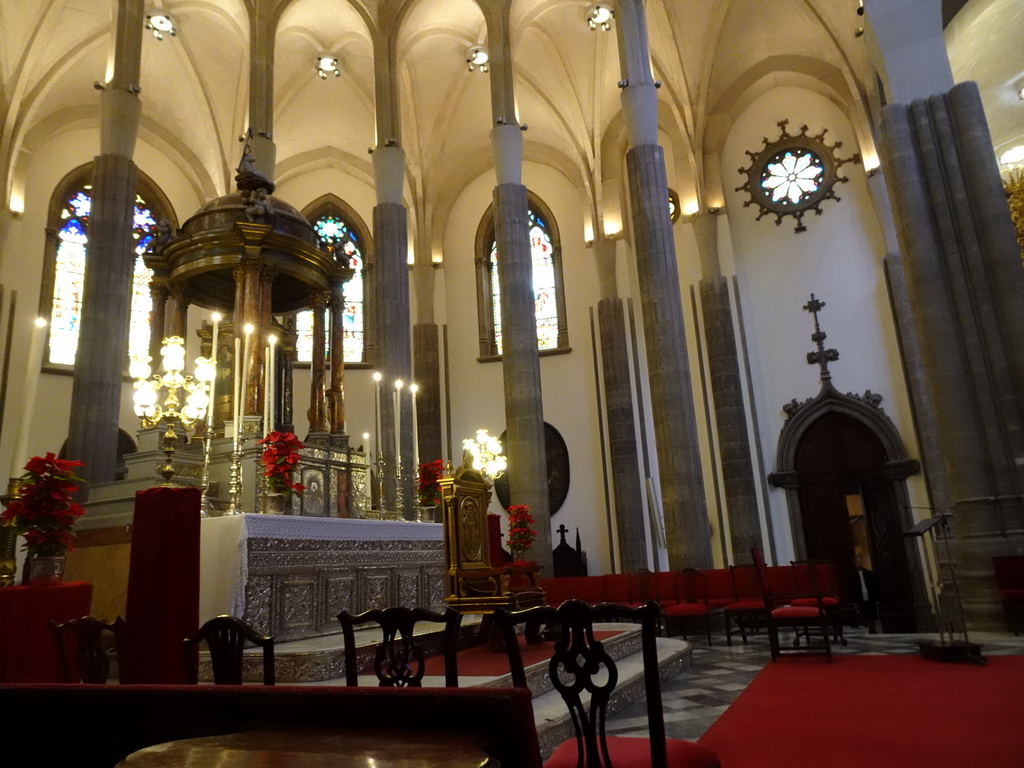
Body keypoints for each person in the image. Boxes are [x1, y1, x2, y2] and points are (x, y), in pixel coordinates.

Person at [853, 554, 881, 633]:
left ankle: (872, 629)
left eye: (860, 562)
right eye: (857, 562)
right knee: (863, 614)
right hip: (859, 597)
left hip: (869, 596)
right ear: (854, 563)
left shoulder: (869, 574)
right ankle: (867, 627)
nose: (859, 564)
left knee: (871, 613)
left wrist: (877, 597)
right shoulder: (852, 575)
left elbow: (874, 586)